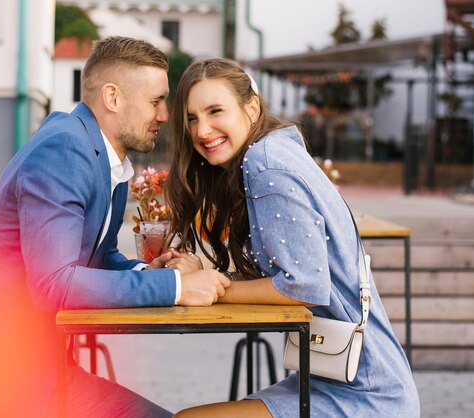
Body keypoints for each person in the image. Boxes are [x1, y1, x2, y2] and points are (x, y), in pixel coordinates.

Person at [0, 37, 230, 418]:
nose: (166, 115)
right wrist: (178, 287)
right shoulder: (65, 150)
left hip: (33, 371)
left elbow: (98, 257)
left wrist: (149, 271)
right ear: (113, 98)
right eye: (156, 101)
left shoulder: (100, 154)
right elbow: (54, 283)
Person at [163, 58, 420, 417]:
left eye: (215, 111)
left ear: (251, 108)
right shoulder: (275, 151)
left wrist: (210, 288)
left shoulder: (265, 163)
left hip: (364, 390)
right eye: (192, 118)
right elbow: (289, 277)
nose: (202, 130)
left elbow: (304, 286)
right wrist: (200, 275)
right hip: (334, 374)